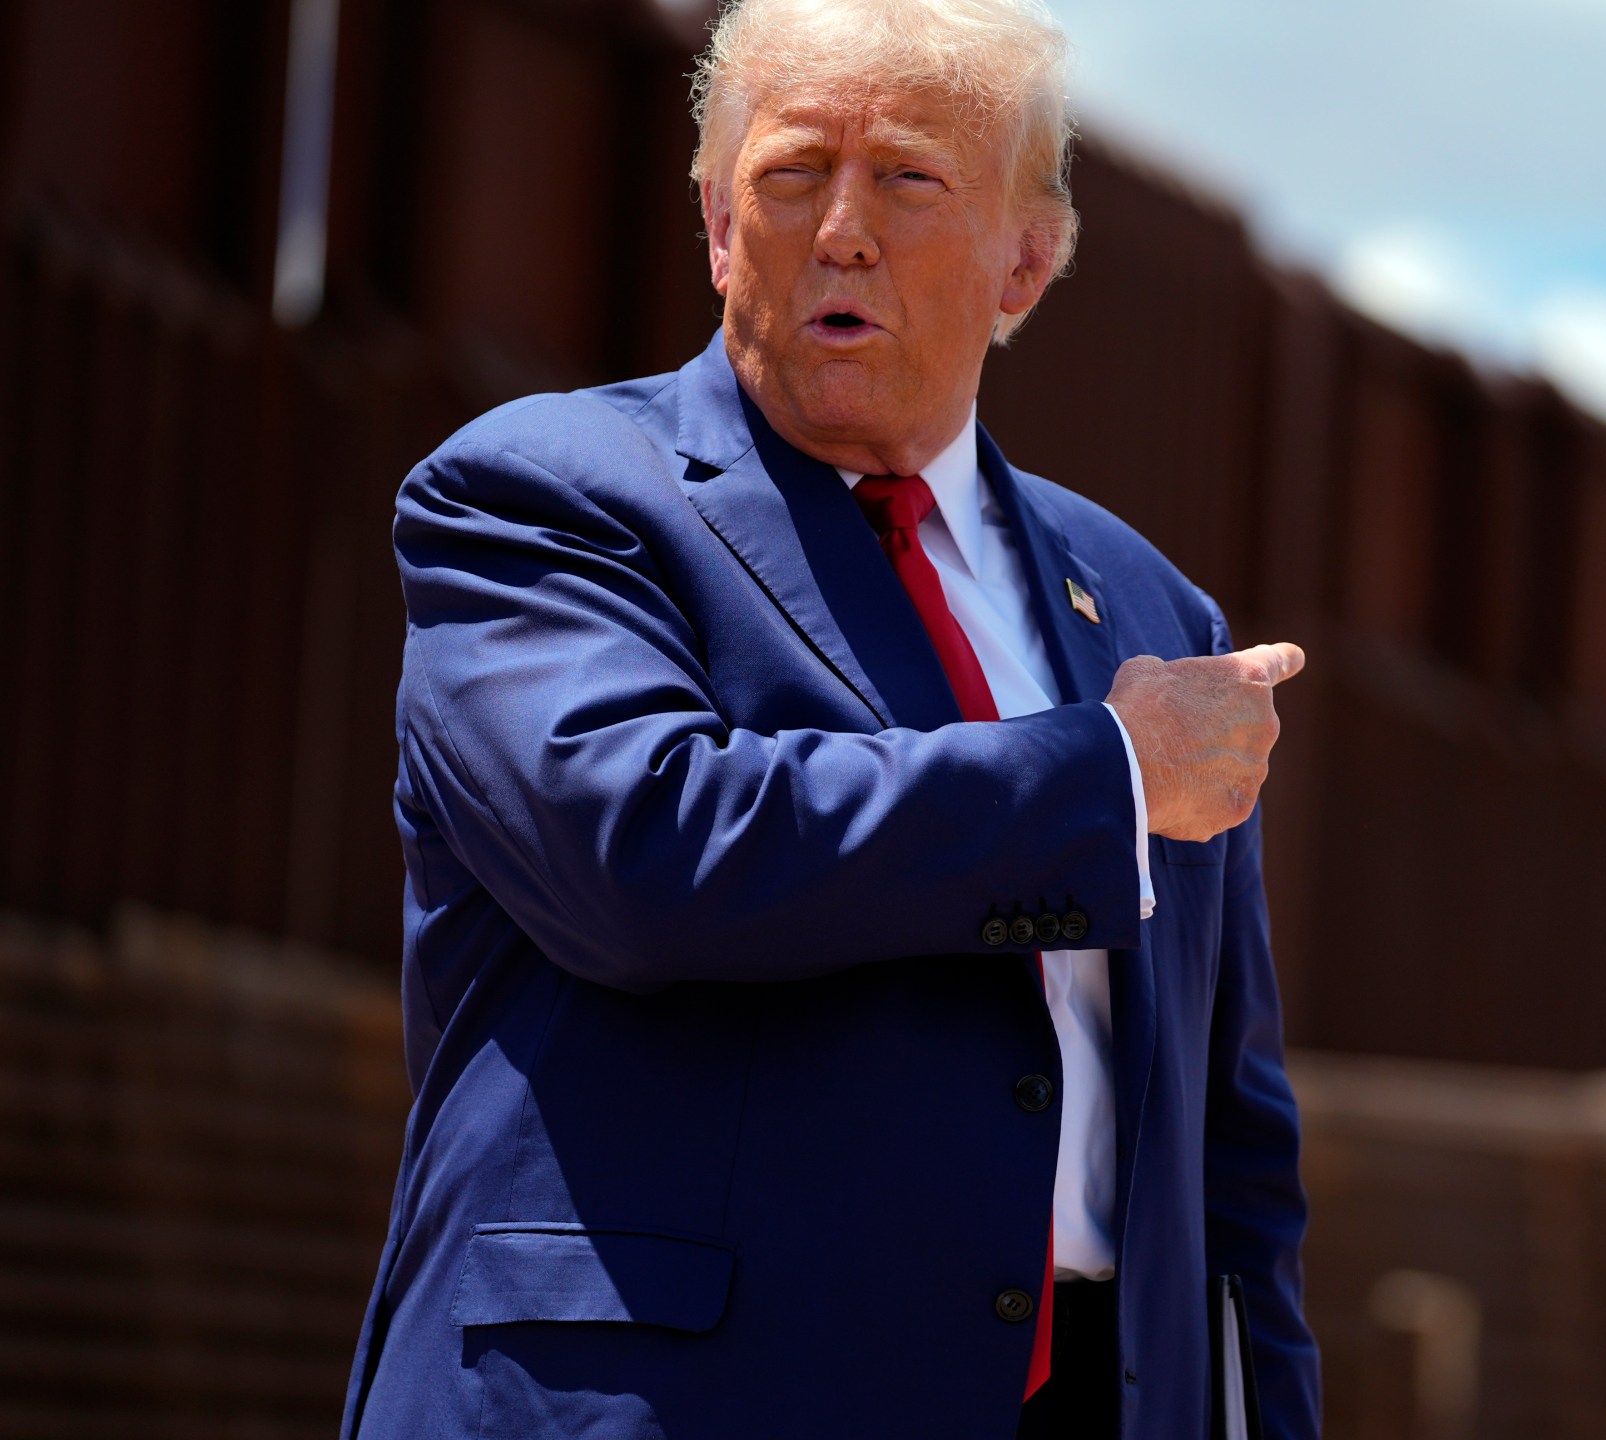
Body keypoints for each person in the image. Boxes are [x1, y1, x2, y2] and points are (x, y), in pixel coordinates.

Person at [337, 0, 1316, 1434]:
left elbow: (1233, 1145)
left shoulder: (1151, 611)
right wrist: (1103, 774)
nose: (840, 231)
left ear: (1024, 265)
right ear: (721, 229)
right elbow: (648, 850)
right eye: (792, 176)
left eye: (909, 179)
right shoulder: (538, 499)